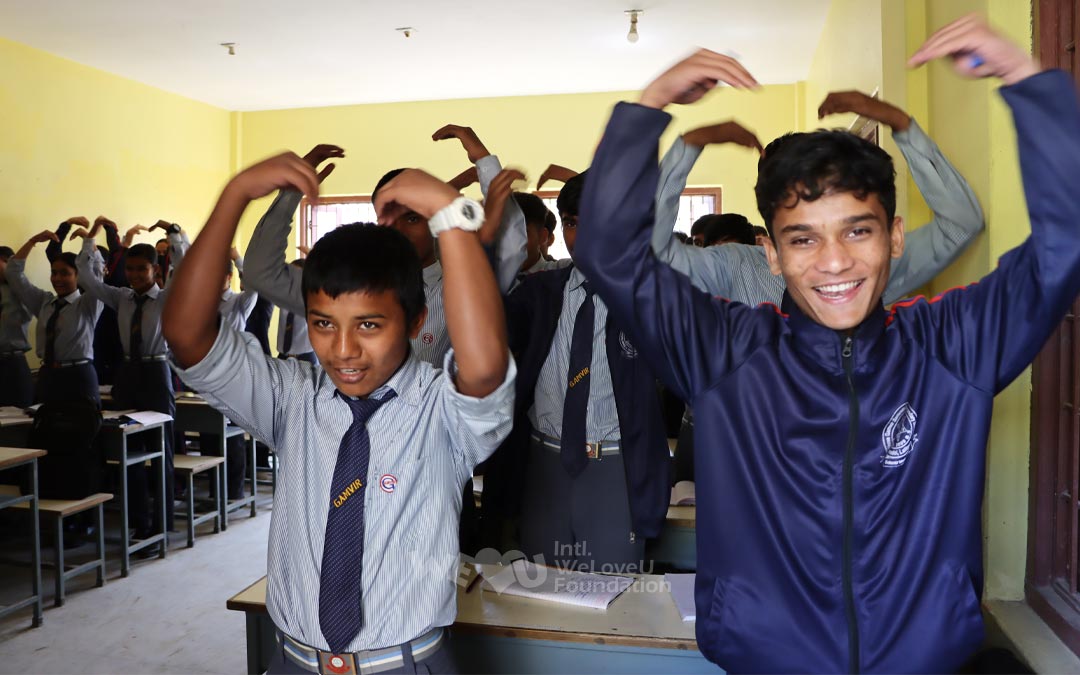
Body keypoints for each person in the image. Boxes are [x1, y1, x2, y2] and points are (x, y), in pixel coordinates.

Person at [575, 16, 1070, 672]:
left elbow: (1065, 244)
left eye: (858, 231)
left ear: (895, 237)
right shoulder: (724, 353)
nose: (834, 262)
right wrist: (650, 104)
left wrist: (1029, 79)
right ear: (772, 254)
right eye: (803, 239)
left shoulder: (953, 347)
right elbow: (609, 253)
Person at [163, 150, 514, 674]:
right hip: (293, 662)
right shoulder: (292, 397)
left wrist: (450, 214)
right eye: (324, 324)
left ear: (416, 322)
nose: (343, 350)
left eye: (369, 325)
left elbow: (484, 370)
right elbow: (187, 336)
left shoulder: (440, 410)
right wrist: (235, 195)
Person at [243, 134, 525, 368]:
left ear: (434, 222)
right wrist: (292, 193)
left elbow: (512, 249)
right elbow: (261, 274)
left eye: (412, 218)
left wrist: (484, 164)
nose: (398, 229)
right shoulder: (351, 283)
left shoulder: (460, 284)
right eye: (388, 219)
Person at [75, 219, 186, 538]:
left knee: (161, 449)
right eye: (131, 269)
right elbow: (87, 279)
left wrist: (175, 235)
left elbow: (185, 269)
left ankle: (162, 523)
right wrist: (89, 242)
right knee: (130, 451)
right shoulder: (121, 297)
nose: (135, 275)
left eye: (142, 269)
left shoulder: (167, 298)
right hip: (127, 374)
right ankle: (140, 523)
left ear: (155, 270)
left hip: (156, 372)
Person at [5, 220, 104, 406]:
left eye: (65, 273)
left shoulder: (88, 303)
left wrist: (89, 240)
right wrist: (32, 241)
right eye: (54, 273)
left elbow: (97, 275)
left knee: (82, 423)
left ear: (78, 276)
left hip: (78, 376)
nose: (57, 278)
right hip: (48, 375)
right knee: (46, 423)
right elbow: (13, 274)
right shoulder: (44, 302)